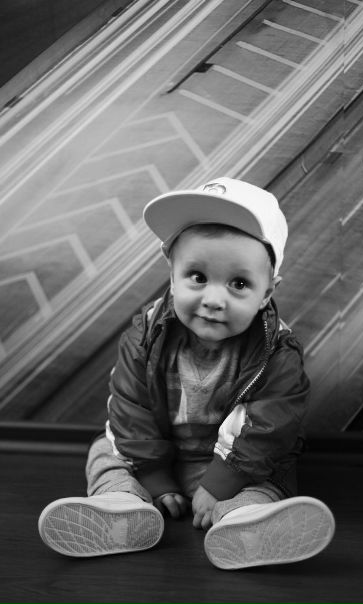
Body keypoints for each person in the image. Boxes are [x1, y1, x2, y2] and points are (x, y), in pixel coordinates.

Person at [38, 177, 335, 570]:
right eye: (197, 276)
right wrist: (154, 477)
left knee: (273, 469)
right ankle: (120, 504)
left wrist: (222, 483)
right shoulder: (146, 335)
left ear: (267, 292)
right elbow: (130, 409)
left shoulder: (276, 350)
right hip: (157, 457)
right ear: (172, 275)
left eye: (239, 284)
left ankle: (246, 519)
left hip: (236, 464)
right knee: (106, 451)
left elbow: (271, 426)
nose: (213, 299)